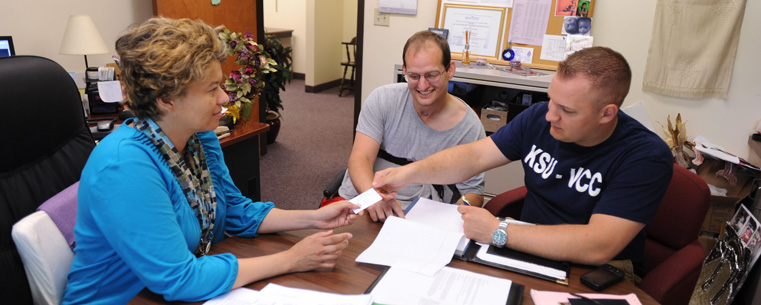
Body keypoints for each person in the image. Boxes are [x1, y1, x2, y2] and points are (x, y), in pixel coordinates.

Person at [63, 17, 357, 304]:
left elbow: (234, 212)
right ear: (166, 98)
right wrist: (291, 260)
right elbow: (180, 279)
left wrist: (313, 218)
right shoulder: (124, 166)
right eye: (211, 89)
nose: (225, 98)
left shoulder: (197, 136)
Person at [372, 47, 673, 283]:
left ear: (607, 114)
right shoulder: (540, 116)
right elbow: (474, 157)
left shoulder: (644, 156)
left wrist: (498, 231)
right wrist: (408, 173)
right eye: (551, 100)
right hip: (525, 247)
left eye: (566, 110)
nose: (550, 116)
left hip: (597, 270)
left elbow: (598, 245)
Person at [336, 30, 486, 222]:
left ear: (450, 70)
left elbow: (473, 193)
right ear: (404, 70)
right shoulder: (383, 99)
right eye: (414, 76)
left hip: (420, 218)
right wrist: (372, 199)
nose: (423, 86)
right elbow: (360, 159)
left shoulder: (469, 126)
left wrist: (453, 215)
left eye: (431, 75)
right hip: (364, 201)